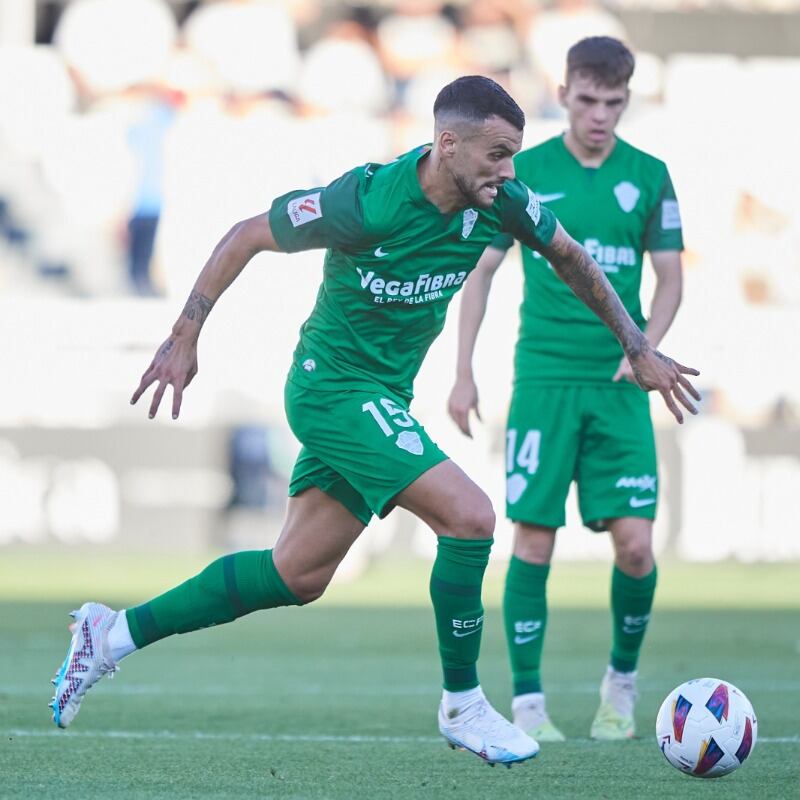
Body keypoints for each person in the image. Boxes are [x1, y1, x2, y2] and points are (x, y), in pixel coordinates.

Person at [50, 75, 698, 766]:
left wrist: (638, 345)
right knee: (472, 516)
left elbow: (571, 257)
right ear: (448, 144)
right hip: (331, 390)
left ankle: (110, 634)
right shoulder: (365, 203)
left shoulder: (502, 203)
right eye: (497, 154)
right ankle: (464, 705)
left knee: (296, 574)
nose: (509, 171)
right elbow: (246, 235)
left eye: (515, 155)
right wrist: (185, 333)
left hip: (383, 397)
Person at [447, 39, 687, 742]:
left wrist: (643, 345)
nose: (599, 115)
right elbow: (482, 272)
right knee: (533, 540)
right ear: (564, 94)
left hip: (619, 384)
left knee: (637, 547)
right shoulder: (526, 171)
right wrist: (463, 370)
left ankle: (621, 686)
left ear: (626, 101)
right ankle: (528, 705)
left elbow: (670, 278)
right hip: (544, 380)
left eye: (614, 103)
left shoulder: (649, 175)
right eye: (587, 100)